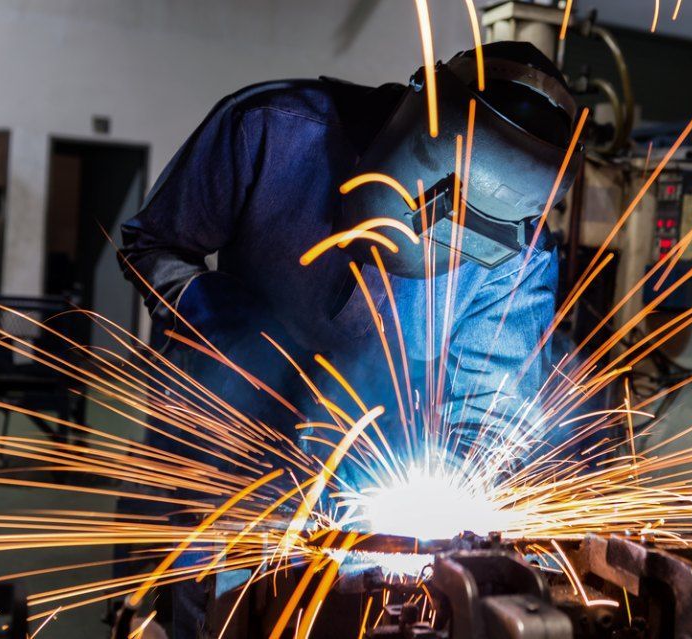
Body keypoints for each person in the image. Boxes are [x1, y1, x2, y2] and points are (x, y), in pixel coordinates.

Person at [118, 41, 580, 637]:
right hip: (219, 437)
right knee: (199, 605)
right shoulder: (270, 128)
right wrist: (224, 330)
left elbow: (491, 405)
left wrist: (454, 484)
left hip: (366, 468)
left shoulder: (520, 252)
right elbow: (152, 243)